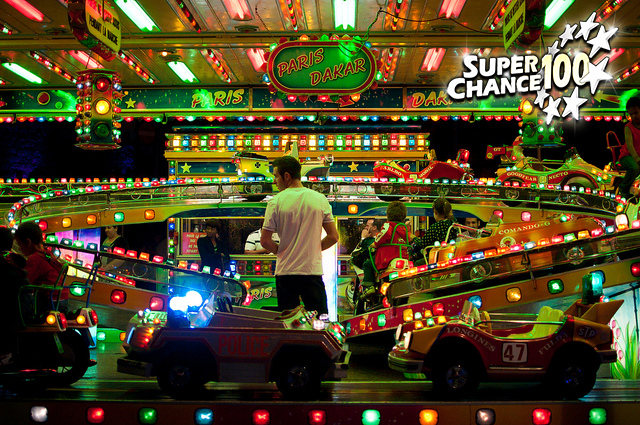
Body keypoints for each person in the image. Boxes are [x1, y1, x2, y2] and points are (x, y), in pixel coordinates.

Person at [260, 155, 339, 315]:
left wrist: (282, 251)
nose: (275, 181)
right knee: (319, 320)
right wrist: (314, 249)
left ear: (286, 176)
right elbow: (333, 236)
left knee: (289, 323)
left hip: (286, 273)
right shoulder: (319, 199)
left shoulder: (275, 202)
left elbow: (265, 241)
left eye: (276, 176)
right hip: (312, 272)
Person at [14, 222, 68, 313]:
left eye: (19, 244)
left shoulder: (34, 259)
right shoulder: (47, 254)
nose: (19, 249)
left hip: (48, 301)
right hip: (62, 299)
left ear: (28, 242)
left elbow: (26, 282)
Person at [359, 202, 409, 297]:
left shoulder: (388, 225)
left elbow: (385, 234)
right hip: (401, 257)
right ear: (403, 217)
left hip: (387, 258)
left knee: (367, 264)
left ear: (388, 215)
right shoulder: (403, 228)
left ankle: (370, 287)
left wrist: (375, 243)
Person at [409, 197, 458, 265]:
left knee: (417, 263)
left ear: (435, 212)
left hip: (438, 257)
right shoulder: (454, 223)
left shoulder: (436, 227)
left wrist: (413, 237)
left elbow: (422, 244)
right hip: (453, 254)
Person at [618, 96, 640, 199]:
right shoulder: (628, 127)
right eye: (631, 114)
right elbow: (630, 145)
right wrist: (637, 158)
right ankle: (623, 188)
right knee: (635, 167)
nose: (634, 116)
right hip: (627, 156)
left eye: (636, 113)